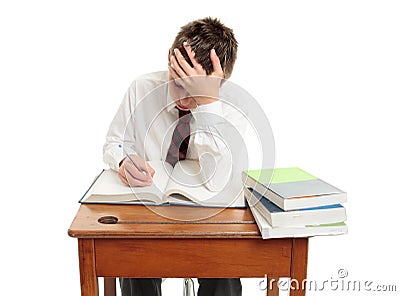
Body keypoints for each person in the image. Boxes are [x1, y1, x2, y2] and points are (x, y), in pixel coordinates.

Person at [103, 17, 247, 296]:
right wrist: (122, 161)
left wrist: (207, 106)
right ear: (169, 60)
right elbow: (114, 143)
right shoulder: (141, 88)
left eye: (194, 91)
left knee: (224, 270)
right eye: (177, 83)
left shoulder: (231, 106)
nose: (183, 100)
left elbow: (216, 178)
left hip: (209, 216)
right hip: (148, 209)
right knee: (133, 264)